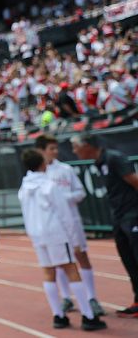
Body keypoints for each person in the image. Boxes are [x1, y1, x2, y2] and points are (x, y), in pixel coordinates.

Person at [18, 148, 106, 330]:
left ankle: (58, 315)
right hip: (56, 234)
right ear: (42, 164)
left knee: (48, 273)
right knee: (72, 270)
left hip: (37, 234)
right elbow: (65, 215)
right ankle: (88, 316)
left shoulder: (24, 188)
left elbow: (26, 216)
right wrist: (74, 240)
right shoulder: (50, 186)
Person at [35, 134, 104, 316]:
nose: (55, 152)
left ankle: (92, 297)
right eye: (51, 148)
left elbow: (80, 192)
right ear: (41, 151)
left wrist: (63, 199)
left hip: (71, 222)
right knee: (60, 262)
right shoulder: (37, 174)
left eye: (56, 148)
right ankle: (66, 298)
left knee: (81, 257)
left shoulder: (66, 169)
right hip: (52, 227)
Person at [72, 134, 138, 318]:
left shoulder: (114, 158)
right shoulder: (99, 162)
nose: (74, 151)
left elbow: (135, 182)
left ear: (86, 145)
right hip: (119, 217)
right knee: (129, 260)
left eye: (76, 147)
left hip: (132, 216)